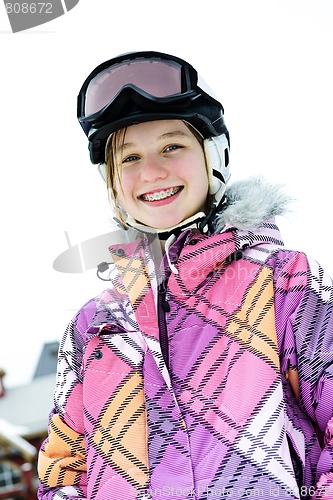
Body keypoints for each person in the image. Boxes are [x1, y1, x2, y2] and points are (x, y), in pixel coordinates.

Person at [37, 51, 333, 500]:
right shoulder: (93, 327)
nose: (152, 172)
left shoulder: (286, 283)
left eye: (172, 146)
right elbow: (62, 470)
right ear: (113, 184)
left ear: (213, 156)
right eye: (129, 158)